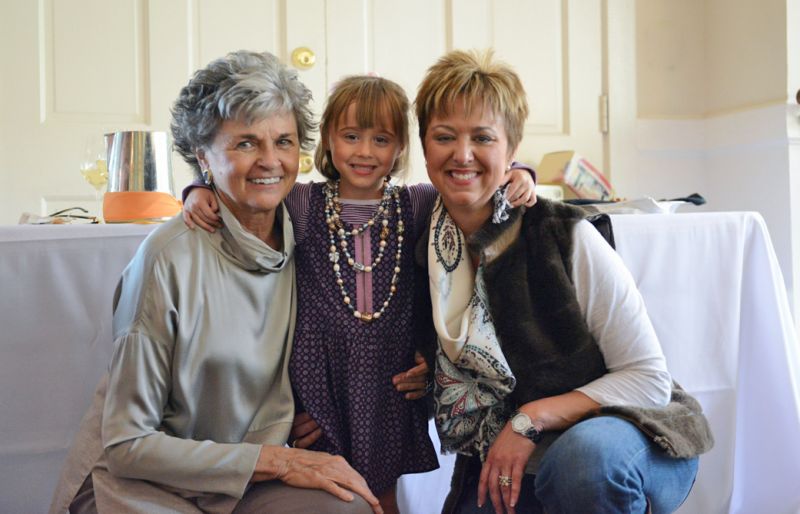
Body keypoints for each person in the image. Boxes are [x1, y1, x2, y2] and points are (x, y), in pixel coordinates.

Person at [182, 74, 538, 513]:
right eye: (351, 136)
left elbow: (476, 190)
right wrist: (199, 188)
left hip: (390, 379)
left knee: (382, 494)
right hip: (320, 377)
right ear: (329, 140)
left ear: (401, 147)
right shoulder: (302, 202)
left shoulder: (418, 202)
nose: (365, 152)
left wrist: (520, 172)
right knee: (330, 487)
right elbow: (247, 193)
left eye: (381, 139)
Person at [49, 50, 384, 514]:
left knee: (346, 508)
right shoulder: (168, 258)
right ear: (202, 155)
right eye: (246, 143)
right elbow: (128, 444)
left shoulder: (310, 231)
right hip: (146, 483)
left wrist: (418, 358)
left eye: (284, 142)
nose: (271, 161)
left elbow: (381, 295)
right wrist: (279, 460)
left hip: (249, 478)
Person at [412, 49, 714, 514]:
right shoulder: (424, 242)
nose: (462, 154)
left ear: (511, 151)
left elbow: (648, 380)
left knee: (584, 465)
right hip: (514, 457)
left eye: (483, 138)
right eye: (444, 136)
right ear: (425, 147)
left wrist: (531, 418)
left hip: (627, 432)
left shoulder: (562, 233)